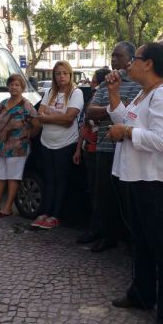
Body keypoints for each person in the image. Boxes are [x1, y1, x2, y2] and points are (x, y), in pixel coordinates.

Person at [106, 40, 163, 324]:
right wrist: (114, 96)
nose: (129, 64)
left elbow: (160, 140)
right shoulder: (144, 93)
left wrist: (126, 132)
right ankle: (141, 294)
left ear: (148, 63)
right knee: (141, 240)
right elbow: (124, 121)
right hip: (137, 177)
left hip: (155, 181)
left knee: (161, 247)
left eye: (135, 59)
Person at [86, 42, 141, 252]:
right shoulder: (105, 84)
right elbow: (90, 111)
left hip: (127, 148)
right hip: (104, 147)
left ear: (130, 60)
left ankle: (131, 241)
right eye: (112, 56)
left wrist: (114, 109)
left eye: (118, 56)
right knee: (104, 194)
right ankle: (108, 236)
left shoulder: (138, 84)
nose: (113, 60)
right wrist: (115, 106)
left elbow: (131, 115)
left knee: (127, 197)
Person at [30, 61, 84, 230]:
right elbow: (40, 114)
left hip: (65, 143)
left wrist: (47, 116)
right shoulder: (50, 92)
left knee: (60, 180)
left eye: (65, 73)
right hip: (47, 142)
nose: (61, 76)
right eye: (58, 73)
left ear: (70, 74)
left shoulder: (76, 93)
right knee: (49, 179)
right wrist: (55, 116)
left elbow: (69, 120)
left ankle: (55, 215)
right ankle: (45, 213)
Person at [0, 74, 37, 218]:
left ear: (22, 88)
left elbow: (37, 124)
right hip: (2, 147)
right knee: (0, 176)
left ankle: (7, 207)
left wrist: (27, 136)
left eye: (17, 85)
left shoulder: (26, 106)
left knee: (13, 178)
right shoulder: (3, 104)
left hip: (18, 148)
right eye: (11, 84)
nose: (14, 87)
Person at [73, 67, 110, 244]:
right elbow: (85, 126)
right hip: (89, 150)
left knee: (101, 194)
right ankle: (95, 229)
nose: (92, 84)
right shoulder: (93, 99)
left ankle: (103, 232)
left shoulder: (106, 97)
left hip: (102, 151)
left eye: (95, 81)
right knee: (93, 192)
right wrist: (79, 148)